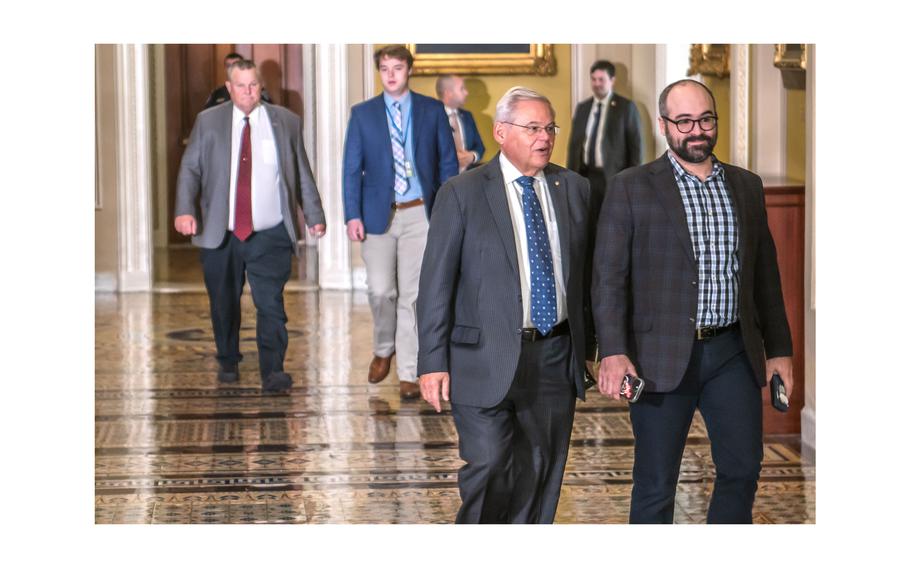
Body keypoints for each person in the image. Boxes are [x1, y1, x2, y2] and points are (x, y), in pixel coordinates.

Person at [592, 79, 794, 524]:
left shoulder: (746, 186)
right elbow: (608, 278)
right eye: (684, 121)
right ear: (665, 125)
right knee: (656, 482)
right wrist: (612, 351)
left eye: (705, 119)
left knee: (742, 470)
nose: (697, 130)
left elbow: (764, 277)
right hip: (658, 357)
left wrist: (779, 351)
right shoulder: (631, 187)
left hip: (733, 354)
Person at [417, 87, 597, 523]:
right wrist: (431, 361)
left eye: (550, 127)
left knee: (540, 472)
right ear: (501, 132)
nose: (545, 137)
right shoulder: (462, 192)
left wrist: (604, 349)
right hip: (481, 356)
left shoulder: (574, 188)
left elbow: (590, 278)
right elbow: (435, 283)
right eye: (532, 127)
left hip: (554, 355)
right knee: (490, 464)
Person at [175, 59, 326, 394]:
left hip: (269, 232)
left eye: (253, 85)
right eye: (240, 86)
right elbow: (190, 169)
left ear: (261, 86)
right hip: (221, 232)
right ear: (229, 88)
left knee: (270, 303)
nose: (247, 92)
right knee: (223, 301)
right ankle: (228, 359)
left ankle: (273, 370)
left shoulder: (285, 121)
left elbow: (301, 172)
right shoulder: (209, 121)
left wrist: (314, 215)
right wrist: (185, 210)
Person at [342, 45, 458, 400]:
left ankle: (409, 370)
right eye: (384, 69)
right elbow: (351, 169)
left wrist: (447, 210)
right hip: (378, 214)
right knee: (380, 291)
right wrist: (352, 215)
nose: (391, 74)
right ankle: (383, 348)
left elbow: (448, 164)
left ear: (409, 70)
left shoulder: (431, 110)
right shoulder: (362, 114)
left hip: (420, 212)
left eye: (397, 68)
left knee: (414, 296)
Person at [567, 59, 643, 214]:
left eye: (601, 79)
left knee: (610, 221)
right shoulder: (583, 108)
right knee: (585, 223)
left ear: (612, 80)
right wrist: (571, 177)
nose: (597, 84)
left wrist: (631, 182)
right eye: (594, 79)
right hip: (585, 176)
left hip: (612, 177)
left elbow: (636, 148)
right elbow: (574, 145)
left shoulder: (626, 108)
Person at [435, 74, 485, 172]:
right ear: (449, 93)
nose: (466, 93)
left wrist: (472, 156)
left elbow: (480, 147)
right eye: (462, 89)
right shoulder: (431, 117)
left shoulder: (467, 116)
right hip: (440, 181)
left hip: (468, 178)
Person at [203, 52, 272, 110]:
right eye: (228, 66)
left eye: (235, 65)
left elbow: (269, 111)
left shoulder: (257, 91)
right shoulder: (217, 93)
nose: (231, 68)